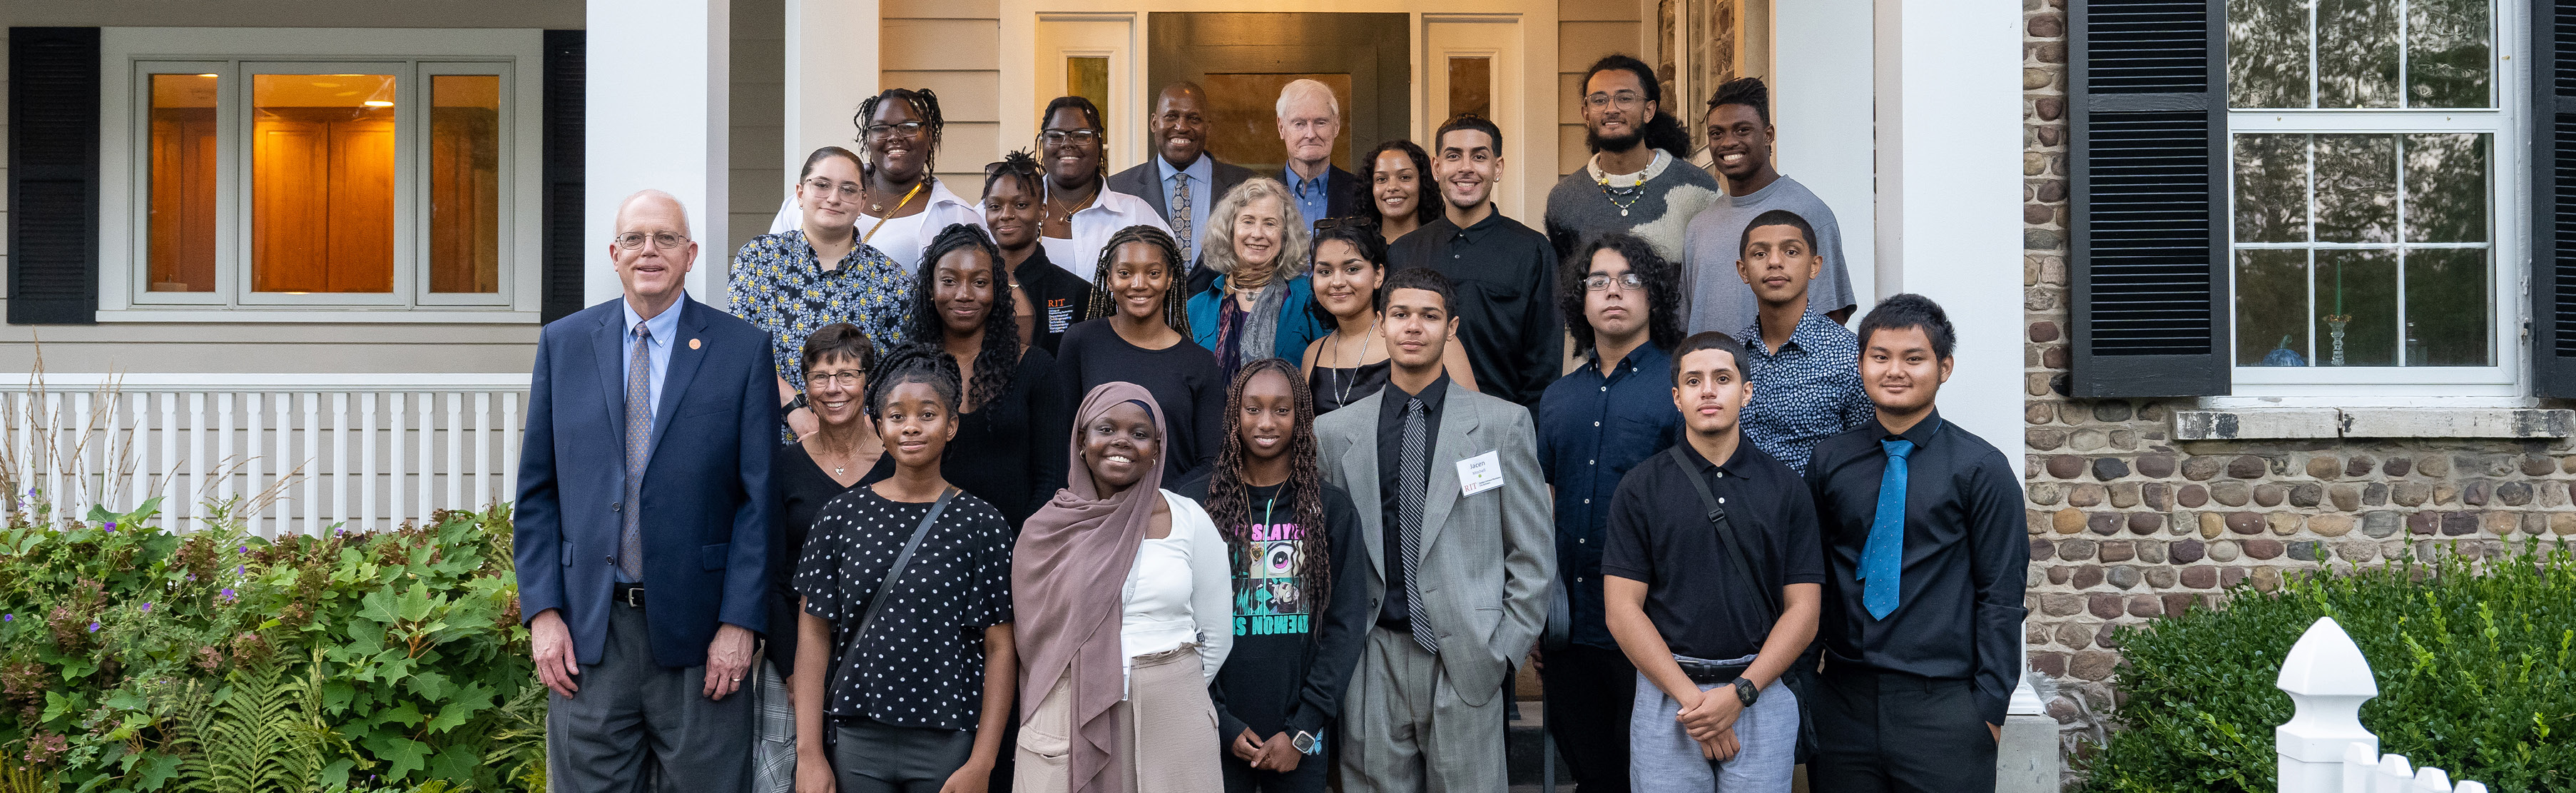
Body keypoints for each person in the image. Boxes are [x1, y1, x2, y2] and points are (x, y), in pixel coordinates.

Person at [516, 190, 774, 792]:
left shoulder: (741, 350)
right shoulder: (564, 343)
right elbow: (537, 493)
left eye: (665, 238)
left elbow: (757, 503)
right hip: (589, 634)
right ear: (614, 253)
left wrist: (740, 622)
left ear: (690, 253)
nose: (649, 251)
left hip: (700, 637)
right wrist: (544, 612)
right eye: (635, 238)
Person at [1313, 267, 1554, 793]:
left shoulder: (1501, 424)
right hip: (1372, 657)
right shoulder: (1333, 433)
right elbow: (1324, 556)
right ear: (1380, 324)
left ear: (1452, 328)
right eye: (1400, 314)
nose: (1413, 326)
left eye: (1429, 315)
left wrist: (1503, 651)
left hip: (1467, 657)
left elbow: (1533, 555)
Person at [1803, 294, 2026, 793]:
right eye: (1879, 356)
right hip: (1843, 701)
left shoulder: (1981, 469)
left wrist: (1987, 709)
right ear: (1861, 363)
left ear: (1943, 367)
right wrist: (1805, 689)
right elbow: (1809, 578)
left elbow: (2002, 594)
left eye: (1914, 357)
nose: (1894, 370)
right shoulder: (1828, 461)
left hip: (1944, 708)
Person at [1603, 331, 1823, 793]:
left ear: (1745, 391)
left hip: (1760, 691)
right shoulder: (1641, 488)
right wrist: (1696, 703)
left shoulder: (1785, 488)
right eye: (1694, 379)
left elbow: (1803, 611)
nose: (1707, 389)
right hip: (1669, 694)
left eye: (1722, 378)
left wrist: (1739, 694)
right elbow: (1622, 609)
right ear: (1676, 396)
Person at [792, 347, 1017, 793]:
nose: (911, 426)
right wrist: (810, 754)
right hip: (856, 739)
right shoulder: (841, 515)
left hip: (948, 742)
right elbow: (814, 635)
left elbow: (1001, 649)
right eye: (897, 415)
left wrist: (983, 762)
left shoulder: (982, 523)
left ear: (951, 425)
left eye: (928, 414)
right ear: (880, 425)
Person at [1012, 383, 1233, 793]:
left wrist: (1168, 685)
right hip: (1069, 704)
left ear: (1157, 449)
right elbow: (1032, 639)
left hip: (1172, 709)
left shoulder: (1188, 518)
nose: (1122, 442)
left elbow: (1217, 633)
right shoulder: (1044, 530)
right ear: (1082, 441)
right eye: (1106, 428)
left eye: (1140, 433)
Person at [1532, 233, 1686, 793]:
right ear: (1580, 299)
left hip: (1654, 626)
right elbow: (1541, 504)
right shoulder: (1558, 397)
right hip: (1570, 627)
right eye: (1598, 281)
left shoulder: (1678, 387)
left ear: (1654, 296)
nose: (1613, 292)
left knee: (1653, 776)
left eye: (1629, 279)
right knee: (1593, 773)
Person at [1172, 359, 1370, 793]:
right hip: (1213, 725)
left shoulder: (1329, 509)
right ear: (1233, 415)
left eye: (1282, 410)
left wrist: (1305, 728)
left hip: (1298, 735)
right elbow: (1176, 621)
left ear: (1301, 417)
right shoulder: (1195, 505)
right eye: (1253, 408)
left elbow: (1346, 623)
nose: (1266, 422)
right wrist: (1220, 721)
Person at [733, 147, 914, 441]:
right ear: (800, 193)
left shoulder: (890, 279)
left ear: (862, 202)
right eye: (822, 185)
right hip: (770, 436)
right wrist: (794, 408)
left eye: (848, 189)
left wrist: (864, 430)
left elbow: (898, 368)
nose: (834, 198)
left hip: (860, 446)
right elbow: (740, 348)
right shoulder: (760, 258)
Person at [903, 223, 1074, 527]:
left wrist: (1022, 549)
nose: (964, 294)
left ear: (997, 288)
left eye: (979, 282)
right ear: (931, 288)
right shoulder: (907, 371)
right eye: (949, 281)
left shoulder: (1036, 368)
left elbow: (1052, 478)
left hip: (1016, 549)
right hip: (925, 553)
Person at [1386, 115, 1562, 410]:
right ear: (1436, 167)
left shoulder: (1531, 250)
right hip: (1413, 426)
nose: (1466, 168)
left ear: (1498, 168)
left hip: (1500, 423)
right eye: (1454, 156)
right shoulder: (1404, 252)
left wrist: (1521, 434)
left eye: (1479, 156)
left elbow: (1544, 364)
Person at [765, 323, 888, 710]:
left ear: (868, 382)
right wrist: (791, 669)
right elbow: (770, 575)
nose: (833, 389)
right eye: (820, 377)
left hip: (886, 659)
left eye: (847, 375)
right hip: (799, 654)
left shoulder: (898, 464)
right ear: (806, 387)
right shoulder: (783, 469)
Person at [1684, 78, 1857, 334]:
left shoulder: (1808, 212)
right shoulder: (1699, 226)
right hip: (1711, 373)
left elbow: (1831, 319)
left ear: (1768, 135)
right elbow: (1684, 324)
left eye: (1742, 130)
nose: (1728, 142)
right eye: (1717, 133)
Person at [1056, 226, 1227, 485]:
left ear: (1170, 279)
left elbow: (1212, 461)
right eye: (1125, 273)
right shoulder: (1081, 342)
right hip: (1095, 511)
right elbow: (1062, 440)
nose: (1139, 284)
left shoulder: (1200, 362)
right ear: (1109, 278)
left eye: (1153, 273)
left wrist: (1157, 504)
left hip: (1170, 512)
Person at [769, 89, 984, 274]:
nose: (895, 137)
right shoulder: (811, 199)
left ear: (930, 137)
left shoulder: (956, 214)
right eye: (881, 128)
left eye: (909, 126)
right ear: (867, 139)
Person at [1542, 55, 1721, 276]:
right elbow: (1564, 288)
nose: (1611, 109)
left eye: (1625, 98)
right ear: (1586, 114)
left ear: (1649, 111)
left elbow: (1716, 277)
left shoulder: (1698, 190)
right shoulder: (1565, 199)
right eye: (1599, 100)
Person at [1733, 210, 1872, 475]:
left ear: (1815, 266)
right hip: (1737, 511)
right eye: (1760, 254)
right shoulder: (1729, 356)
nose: (1774, 262)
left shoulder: (1849, 355)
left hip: (1817, 511)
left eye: (1791, 252)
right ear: (1743, 270)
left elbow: (1866, 457)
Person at [1300, 223, 1475, 415]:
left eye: (1352, 269)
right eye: (1325, 272)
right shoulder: (1313, 354)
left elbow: (1474, 421)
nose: (1337, 282)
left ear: (1378, 275)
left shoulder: (1426, 340)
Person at [1187, 178, 1329, 380]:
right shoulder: (1196, 308)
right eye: (1248, 221)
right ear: (1230, 230)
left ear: (1285, 235)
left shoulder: (1309, 299)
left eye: (1270, 224)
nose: (1257, 234)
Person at [1108, 81, 1257, 271]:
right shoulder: (1118, 189)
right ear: (1154, 123)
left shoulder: (1245, 185)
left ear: (1208, 127)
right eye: (1171, 116)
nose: (1181, 127)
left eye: (1194, 119)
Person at [1035, 96, 1175, 283]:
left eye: (1082, 135)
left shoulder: (1136, 214)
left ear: (1099, 145)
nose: (1067, 143)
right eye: (1055, 135)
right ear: (1042, 142)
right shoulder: (1009, 210)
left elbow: (1170, 284)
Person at [989, 151, 1096, 355]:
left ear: (1042, 211)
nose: (1006, 215)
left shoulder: (1078, 293)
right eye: (995, 206)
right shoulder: (972, 288)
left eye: (1021, 205)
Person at [1274, 79, 1369, 233]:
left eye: (1321, 123)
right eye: (1299, 124)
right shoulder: (1261, 196)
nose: (1311, 134)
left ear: (1336, 126)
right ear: (1281, 127)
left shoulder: (1363, 192)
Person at [1358, 140, 1440, 246]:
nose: (1392, 187)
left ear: (1423, 183)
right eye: (1382, 179)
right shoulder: (1357, 249)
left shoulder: (1440, 246)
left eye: (1405, 177)